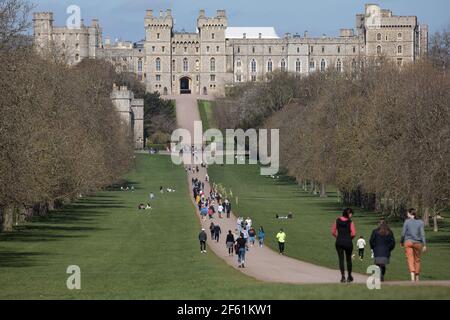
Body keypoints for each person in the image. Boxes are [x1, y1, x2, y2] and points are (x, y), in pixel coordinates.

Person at [401, 208, 427, 282]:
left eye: (407, 213)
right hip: (418, 243)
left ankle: (412, 277)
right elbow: (422, 234)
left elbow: (403, 233)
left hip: (408, 242)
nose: (406, 214)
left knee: (410, 259)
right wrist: (424, 244)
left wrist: (401, 241)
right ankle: (417, 277)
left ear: (410, 214)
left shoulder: (406, 221)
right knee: (417, 260)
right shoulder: (420, 222)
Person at [331, 208, 356, 283]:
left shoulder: (337, 220)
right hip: (348, 242)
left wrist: (338, 237)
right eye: (351, 214)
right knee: (348, 260)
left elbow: (333, 232)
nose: (351, 215)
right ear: (349, 214)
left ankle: (343, 277)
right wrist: (349, 238)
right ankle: (349, 276)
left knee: (341, 259)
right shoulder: (350, 222)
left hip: (339, 242)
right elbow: (353, 233)